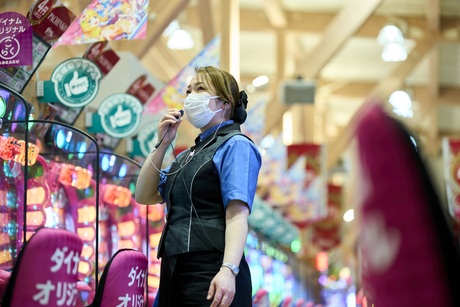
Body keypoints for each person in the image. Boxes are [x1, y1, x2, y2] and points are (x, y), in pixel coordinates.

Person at [135, 66, 262, 307]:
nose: (191, 96)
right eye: (189, 90)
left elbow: (237, 214)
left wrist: (228, 270)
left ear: (225, 103)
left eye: (200, 89)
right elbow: (144, 194)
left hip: (213, 268)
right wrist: (161, 144)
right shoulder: (187, 156)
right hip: (175, 269)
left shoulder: (236, 146)